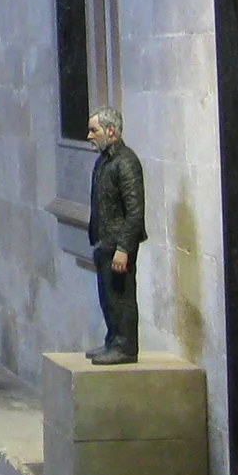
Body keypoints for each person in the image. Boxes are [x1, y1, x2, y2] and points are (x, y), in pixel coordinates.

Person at [85, 108, 146, 364]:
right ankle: (114, 339)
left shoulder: (126, 163)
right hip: (104, 241)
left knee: (121, 298)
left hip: (117, 245)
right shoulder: (104, 161)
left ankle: (125, 346)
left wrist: (124, 248)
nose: (89, 136)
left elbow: (135, 211)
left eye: (94, 130)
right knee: (108, 297)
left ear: (111, 131)